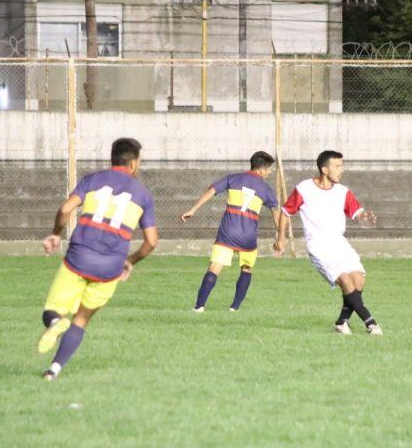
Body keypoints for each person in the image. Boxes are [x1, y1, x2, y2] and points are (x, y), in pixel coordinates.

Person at [37, 138, 158, 380]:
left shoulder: (92, 180)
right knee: (81, 319)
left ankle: (55, 323)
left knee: (51, 313)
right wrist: (130, 261)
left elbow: (65, 210)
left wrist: (55, 234)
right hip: (110, 268)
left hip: (78, 258)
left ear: (113, 158)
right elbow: (151, 242)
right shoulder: (143, 195)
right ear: (133, 163)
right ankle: (54, 370)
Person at [274, 150, 382, 335]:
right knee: (346, 282)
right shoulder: (304, 188)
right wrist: (281, 239)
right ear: (325, 169)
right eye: (337, 166)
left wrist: (367, 218)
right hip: (318, 245)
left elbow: (358, 215)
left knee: (358, 280)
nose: (342, 170)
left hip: (339, 243)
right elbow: (285, 212)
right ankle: (371, 323)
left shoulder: (343, 192)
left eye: (342, 166)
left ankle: (342, 323)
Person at [181, 151, 279, 312]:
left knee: (214, 268)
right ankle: (234, 308)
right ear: (261, 170)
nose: (269, 172)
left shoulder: (233, 178)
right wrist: (279, 235)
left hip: (228, 233)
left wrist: (193, 209)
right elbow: (276, 212)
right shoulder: (266, 189)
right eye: (268, 169)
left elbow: (211, 190)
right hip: (248, 237)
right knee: (247, 269)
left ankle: (199, 306)